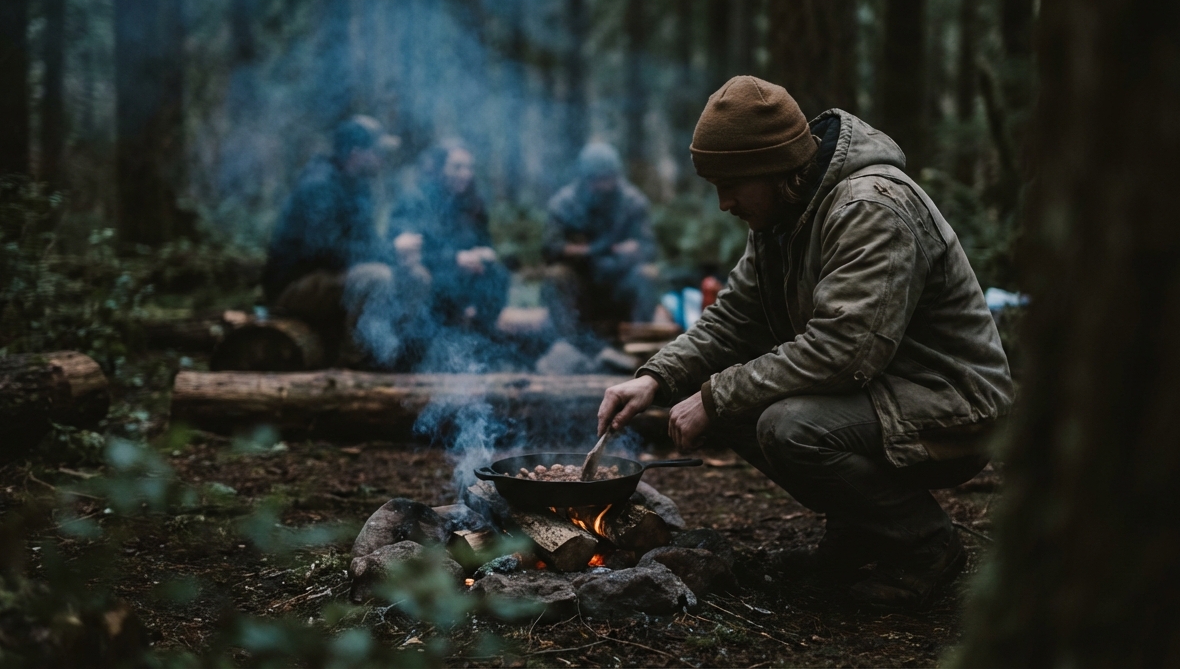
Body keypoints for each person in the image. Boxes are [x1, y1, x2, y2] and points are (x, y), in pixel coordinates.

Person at [595, 76, 1014, 610]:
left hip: (953, 402)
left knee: (788, 425)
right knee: (732, 404)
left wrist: (714, 395)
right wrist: (655, 378)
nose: (724, 202)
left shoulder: (870, 207)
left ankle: (925, 547)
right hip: (886, 393)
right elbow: (735, 317)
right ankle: (861, 534)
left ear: (774, 167)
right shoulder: (781, 215)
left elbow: (844, 351)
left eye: (731, 184)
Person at [262, 115, 429, 369]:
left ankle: (395, 357)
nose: (382, 159)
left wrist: (397, 254)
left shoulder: (359, 186)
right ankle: (355, 368)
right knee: (377, 278)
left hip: (337, 279)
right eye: (377, 151)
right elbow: (324, 249)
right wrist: (390, 251)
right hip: (296, 286)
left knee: (416, 276)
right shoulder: (319, 185)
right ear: (356, 152)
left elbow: (366, 243)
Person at [388, 140, 510, 334]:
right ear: (438, 168)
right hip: (434, 272)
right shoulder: (416, 200)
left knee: (497, 275)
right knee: (440, 282)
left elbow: (484, 241)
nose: (465, 174)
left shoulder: (472, 202)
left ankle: (481, 336)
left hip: (465, 273)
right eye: (457, 167)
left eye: (469, 167)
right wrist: (455, 259)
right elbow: (407, 250)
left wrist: (483, 253)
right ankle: (432, 338)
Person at [542, 143, 659, 339]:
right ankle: (568, 343)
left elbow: (649, 247)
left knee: (646, 275)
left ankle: (638, 342)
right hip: (581, 280)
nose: (603, 185)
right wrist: (584, 251)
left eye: (608, 178)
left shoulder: (633, 203)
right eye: (597, 179)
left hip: (620, 280)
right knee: (556, 276)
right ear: (584, 178)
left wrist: (634, 250)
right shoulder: (564, 204)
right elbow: (549, 249)